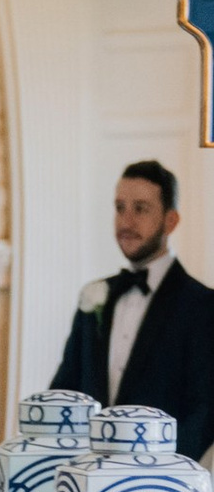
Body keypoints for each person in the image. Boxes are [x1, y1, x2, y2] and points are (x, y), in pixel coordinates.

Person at [51, 159, 214, 461]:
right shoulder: (93, 297)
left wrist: (162, 476)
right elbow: (65, 390)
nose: (126, 222)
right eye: (119, 207)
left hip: (162, 487)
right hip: (88, 479)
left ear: (171, 221)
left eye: (140, 208)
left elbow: (205, 410)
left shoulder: (203, 306)